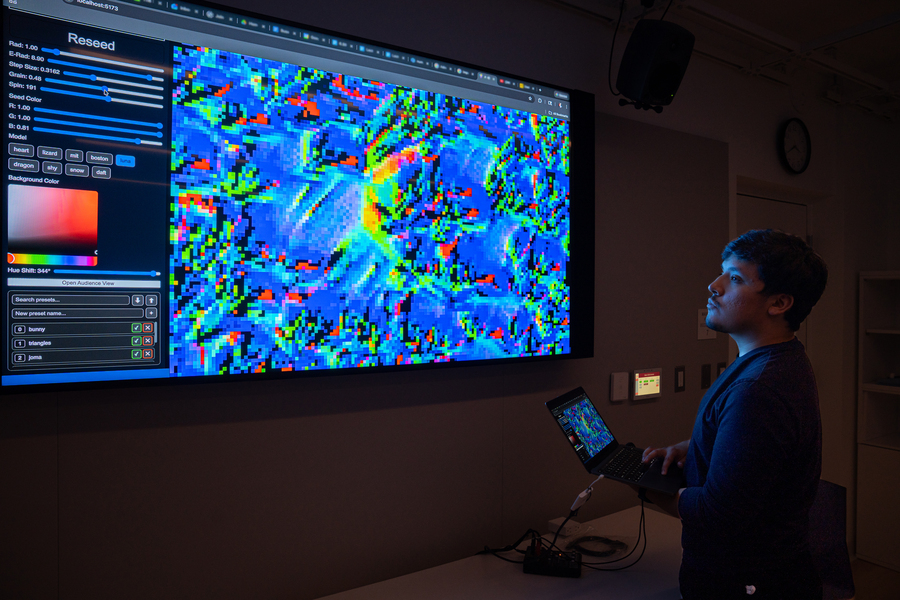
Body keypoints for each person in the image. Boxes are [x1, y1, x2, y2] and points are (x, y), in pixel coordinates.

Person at [641, 229, 828, 600]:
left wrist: (642, 486)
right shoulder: (777, 360)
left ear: (779, 303)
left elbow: (718, 514)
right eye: (722, 272)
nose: (714, 285)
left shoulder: (759, 388)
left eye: (736, 278)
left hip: (745, 581)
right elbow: (761, 449)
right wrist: (691, 448)